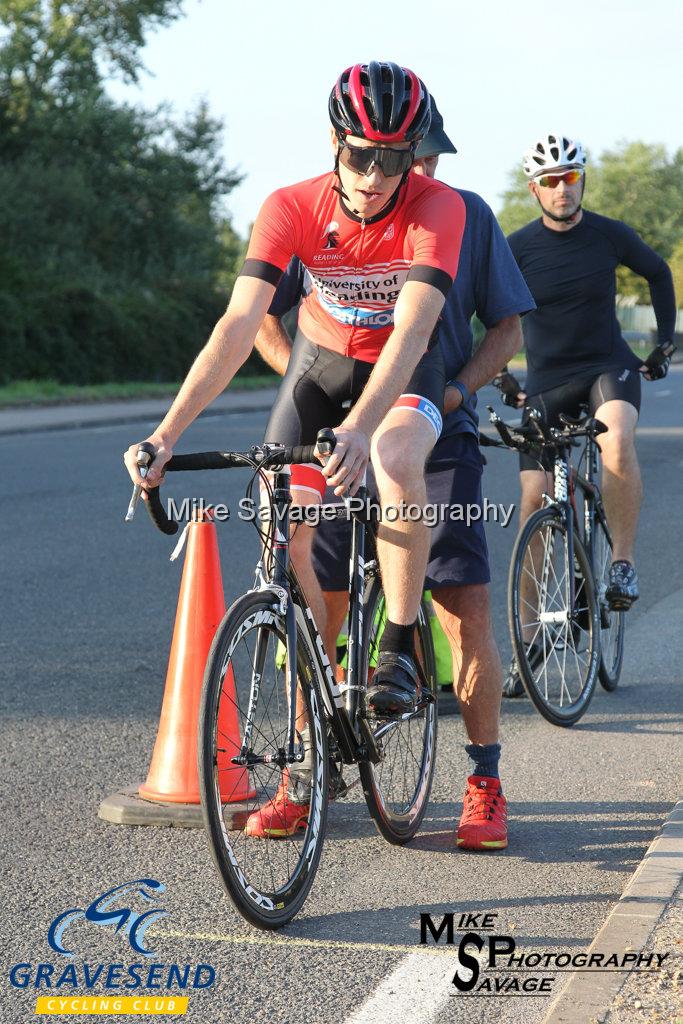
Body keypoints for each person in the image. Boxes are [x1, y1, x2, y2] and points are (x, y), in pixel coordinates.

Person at [125, 61, 471, 835]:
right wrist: (164, 434)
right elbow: (238, 325)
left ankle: (399, 642)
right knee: (286, 532)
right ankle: (323, 680)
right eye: (360, 156)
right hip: (317, 368)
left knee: (394, 458)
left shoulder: (436, 206)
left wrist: (359, 427)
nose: (376, 176)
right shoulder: (288, 205)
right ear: (334, 142)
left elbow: (414, 331)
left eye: (392, 158)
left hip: (402, 366)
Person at [254, 96, 535, 850]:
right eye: (377, 158)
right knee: (319, 606)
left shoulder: (462, 215)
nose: (400, 173)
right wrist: (302, 389)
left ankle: (484, 782)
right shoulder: (332, 213)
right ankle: (300, 773)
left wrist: (455, 392)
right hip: (340, 428)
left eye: (415, 156)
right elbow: (263, 315)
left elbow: (506, 327)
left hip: (429, 431)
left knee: (462, 607)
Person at [498, 133, 677, 697]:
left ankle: (621, 563)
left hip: (609, 367)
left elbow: (659, 274)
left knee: (616, 439)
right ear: (535, 190)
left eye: (570, 178)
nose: (561, 189)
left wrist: (664, 345)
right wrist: (499, 374)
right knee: (531, 502)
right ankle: (528, 643)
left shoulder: (609, 234)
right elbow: (488, 311)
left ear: (581, 181)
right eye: (550, 181)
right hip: (547, 382)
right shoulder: (516, 247)